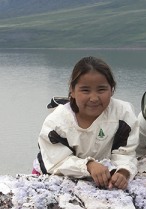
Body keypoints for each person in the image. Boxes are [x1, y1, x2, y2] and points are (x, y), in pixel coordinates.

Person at [33, 56, 139, 190]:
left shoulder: (122, 113)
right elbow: (57, 161)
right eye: (85, 90)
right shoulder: (56, 122)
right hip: (52, 174)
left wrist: (123, 172)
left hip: (101, 178)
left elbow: (125, 152)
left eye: (101, 89)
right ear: (72, 90)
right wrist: (89, 165)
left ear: (112, 89)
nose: (94, 98)